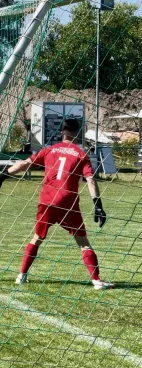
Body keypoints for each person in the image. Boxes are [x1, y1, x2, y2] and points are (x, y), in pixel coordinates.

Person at [0, 119, 115, 290]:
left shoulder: (49, 150)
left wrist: (3, 175)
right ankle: (97, 280)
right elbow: (90, 180)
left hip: (46, 200)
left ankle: (21, 276)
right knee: (83, 243)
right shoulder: (80, 154)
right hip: (67, 202)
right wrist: (98, 205)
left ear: (62, 132)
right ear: (78, 134)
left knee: (37, 238)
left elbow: (25, 164)